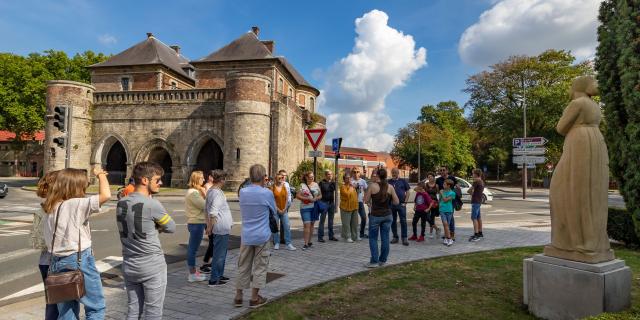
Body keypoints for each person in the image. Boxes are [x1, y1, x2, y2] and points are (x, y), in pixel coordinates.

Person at [43, 166, 111, 320]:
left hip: (56, 262)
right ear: (75, 186)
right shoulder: (75, 204)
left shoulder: (51, 207)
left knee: (66, 312)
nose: (85, 189)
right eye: (84, 185)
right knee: (96, 307)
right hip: (79, 260)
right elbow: (106, 195)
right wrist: (100, 175)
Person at [117, 162, 176, 319]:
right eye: (157, 180)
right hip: (152, 264)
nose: (161, 183)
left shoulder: (121, 202)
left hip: (129, 263)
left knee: (133, 310)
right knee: (153, 312)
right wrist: (157, 227)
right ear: (145, 180)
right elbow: (171, 227)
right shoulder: (152, 204)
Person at [235, 164, 274, 308]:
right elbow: (274, 211)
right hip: (262, 235)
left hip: (246, 235)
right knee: (260, 266)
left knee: (243, 265)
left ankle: (238, 296)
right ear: (264, 177)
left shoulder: (243, 192)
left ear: (250, 176)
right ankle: (254, 297)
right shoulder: (267, 193)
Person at [30, 170, 59, 320]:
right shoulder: (58, 209)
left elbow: (36, 241)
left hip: (45, 261)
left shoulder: (41, 209)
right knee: (62, 304)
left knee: (52, 303)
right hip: (57, 262)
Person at [363, 168, 399, 268]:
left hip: (375, 216)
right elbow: (397, 202)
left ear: (377, 175)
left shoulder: (372, 186)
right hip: (387, 215)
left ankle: (374, 261)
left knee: (373, 238)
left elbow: (365, 200)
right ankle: (382, 260)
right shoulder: (390, 187)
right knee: (385, 238)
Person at [205, 169, 234, 286]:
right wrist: (210, 227)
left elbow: (206, 210)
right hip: (220, 227)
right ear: (222, 180)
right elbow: (212, 212)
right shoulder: (217, 193)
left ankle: (219, 274)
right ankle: (214, 279)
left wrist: (208, 225)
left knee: (221, 253)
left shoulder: (212, 191)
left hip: (220, 227)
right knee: (219, 254)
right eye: (224, 178)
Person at [184, 171, 207, 282]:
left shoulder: (195, 192)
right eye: (201, 178)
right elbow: (205, 205)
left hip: (197, 222)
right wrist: (205, 193)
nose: (204, 179)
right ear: (196, 179)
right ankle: (192, 274)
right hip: (196, 223)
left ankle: (193, 272)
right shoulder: (193, 193)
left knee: (193, 248)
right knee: (193, 249)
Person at [269, 170, 296, 250]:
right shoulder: (272, 187)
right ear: (276, 179)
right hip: (275, 210)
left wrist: (284, 208)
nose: (281, 179)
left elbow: (287, 198)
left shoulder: (285, 186)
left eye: (282, 178)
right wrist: (277, 209)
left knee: (287, 226)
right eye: (279, 178)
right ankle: (276, 242)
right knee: (276, 227)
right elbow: (272, 200)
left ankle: (288, 243)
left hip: (284, 210)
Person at [297, 171, 322, 250]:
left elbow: (320, 195)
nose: (312, 178)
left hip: (314, 207)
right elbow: (297, 196)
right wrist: (307, 198)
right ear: (306, 177)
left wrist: (315, 199)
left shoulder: (316, 184)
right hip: (305, 208)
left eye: (312, 176)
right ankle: (306, 243)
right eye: (310, 177)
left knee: (312, 225)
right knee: (306, 225)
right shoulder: (302, 185)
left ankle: (309, 241)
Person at [388, 168, 411, 246]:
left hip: (401, 204)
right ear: (391, 173)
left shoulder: (403, 181)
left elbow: (408, 191)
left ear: (398, 173)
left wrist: (405, 202)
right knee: (393, 221)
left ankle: (404, 238)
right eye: (393, 172)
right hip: (391, 205)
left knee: (403, 221)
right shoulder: (389, 182)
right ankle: (395, 237)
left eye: (396, 172)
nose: (394, 173)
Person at [435, 166, 457, 241]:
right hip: (443, 201)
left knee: (451, 219)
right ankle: (446, 234)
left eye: (443, 170)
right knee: (445, 221)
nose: (442, 171)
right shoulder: (438, 180)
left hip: (450, 201)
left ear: (447, 171)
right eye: (440, 170)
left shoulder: (452, 178)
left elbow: (457, 187)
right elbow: (438, 190)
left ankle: (452, 233)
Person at [318, 170, 338, 242]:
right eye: (329, 174)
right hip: (324, 203)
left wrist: (335, 181)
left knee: (331, 220)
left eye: (331, 174)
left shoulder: (332, 183)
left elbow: (335, 189)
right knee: (322, 221)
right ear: (325, 175)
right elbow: (320, 192)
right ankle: (320, 237)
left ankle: (331, 236)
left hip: (331, 203)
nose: (330, 176)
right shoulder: (321, 183)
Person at [339, 173, 359, 243]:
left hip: (354, 207)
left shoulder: (353, 186)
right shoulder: (342, 187)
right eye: (347, 178)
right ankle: (347, 236)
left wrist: (355, 187)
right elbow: (347, 194)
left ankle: (354, 236)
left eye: (349, 178)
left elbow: (356, 195)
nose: (349, 179)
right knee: (346, 223)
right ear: (344, 179)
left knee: (354, 223)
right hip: (345, 207)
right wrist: (351, 186)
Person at [468, 169, 485, 242]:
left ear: (476, 174)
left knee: (473, 218)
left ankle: (476, 234)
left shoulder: (476, 181)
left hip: (475, 201)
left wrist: (471, 193)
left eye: (473, 173)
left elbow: (469, 190)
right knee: (478, 217)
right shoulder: (481, 181)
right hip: (479, 201)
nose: (472, 175)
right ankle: (480, 232)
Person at [351, 169, 368, 240]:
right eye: (354, 172)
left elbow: (366, 190)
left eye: (357, 172)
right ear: (352, 173)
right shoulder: (350, 181)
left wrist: (365, 198)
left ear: (359, 173)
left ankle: (361, 233)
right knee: (353, 219)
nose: (356, 173)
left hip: (360, 202)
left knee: (364, 217)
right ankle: (352, 234)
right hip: (352, 202)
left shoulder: (363, 181)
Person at [439, 179, 456, 247]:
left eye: (444, 184)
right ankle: (449, 239)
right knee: (445, 224)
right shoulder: (442, 192)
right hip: (442, 210)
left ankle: (446, 238)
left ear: (448, 186)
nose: (443, 185)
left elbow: (445, 200)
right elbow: (440, 200)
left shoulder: (452, 193)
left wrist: (442, 193)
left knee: (447, 225)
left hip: (449, 210)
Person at [424, 173, 441, 238]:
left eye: (431, 177)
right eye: (428, 177)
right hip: (427, 203)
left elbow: (438, 194)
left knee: (432, 218)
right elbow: (424, 193)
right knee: (427, 217)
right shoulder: (426, 185)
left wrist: (439, 202)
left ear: (434, 177)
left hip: (434, 203)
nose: (430, 178)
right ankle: (437, 229)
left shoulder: (436, 186)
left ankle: (431, 233)